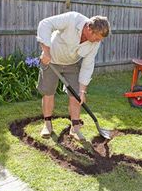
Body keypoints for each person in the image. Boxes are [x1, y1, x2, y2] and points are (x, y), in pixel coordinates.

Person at [37, 11, 110, 141]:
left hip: (72, 64)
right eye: (98, 38)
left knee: (76, 96)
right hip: (52, 60)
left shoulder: (95, 43)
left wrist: (82, 90)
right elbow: (45, 24)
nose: (99, 41)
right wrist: (46, 51)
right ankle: (47, 125)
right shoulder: (72, 19)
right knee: (48, 93)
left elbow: (88, 65)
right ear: (89, 29)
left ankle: (75, 128)